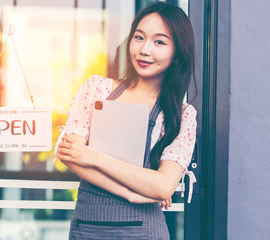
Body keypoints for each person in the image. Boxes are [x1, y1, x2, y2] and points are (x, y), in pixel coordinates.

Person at [54, 2, 197, 239]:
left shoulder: (181, 115)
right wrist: (130, 192)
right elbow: (70, 154)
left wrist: (93, 156)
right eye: (139, 37)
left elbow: (162, 186)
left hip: (145, 231)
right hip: (87, 229)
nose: (144, 49)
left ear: (177, 53)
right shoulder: (97, 89)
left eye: (159, 42)